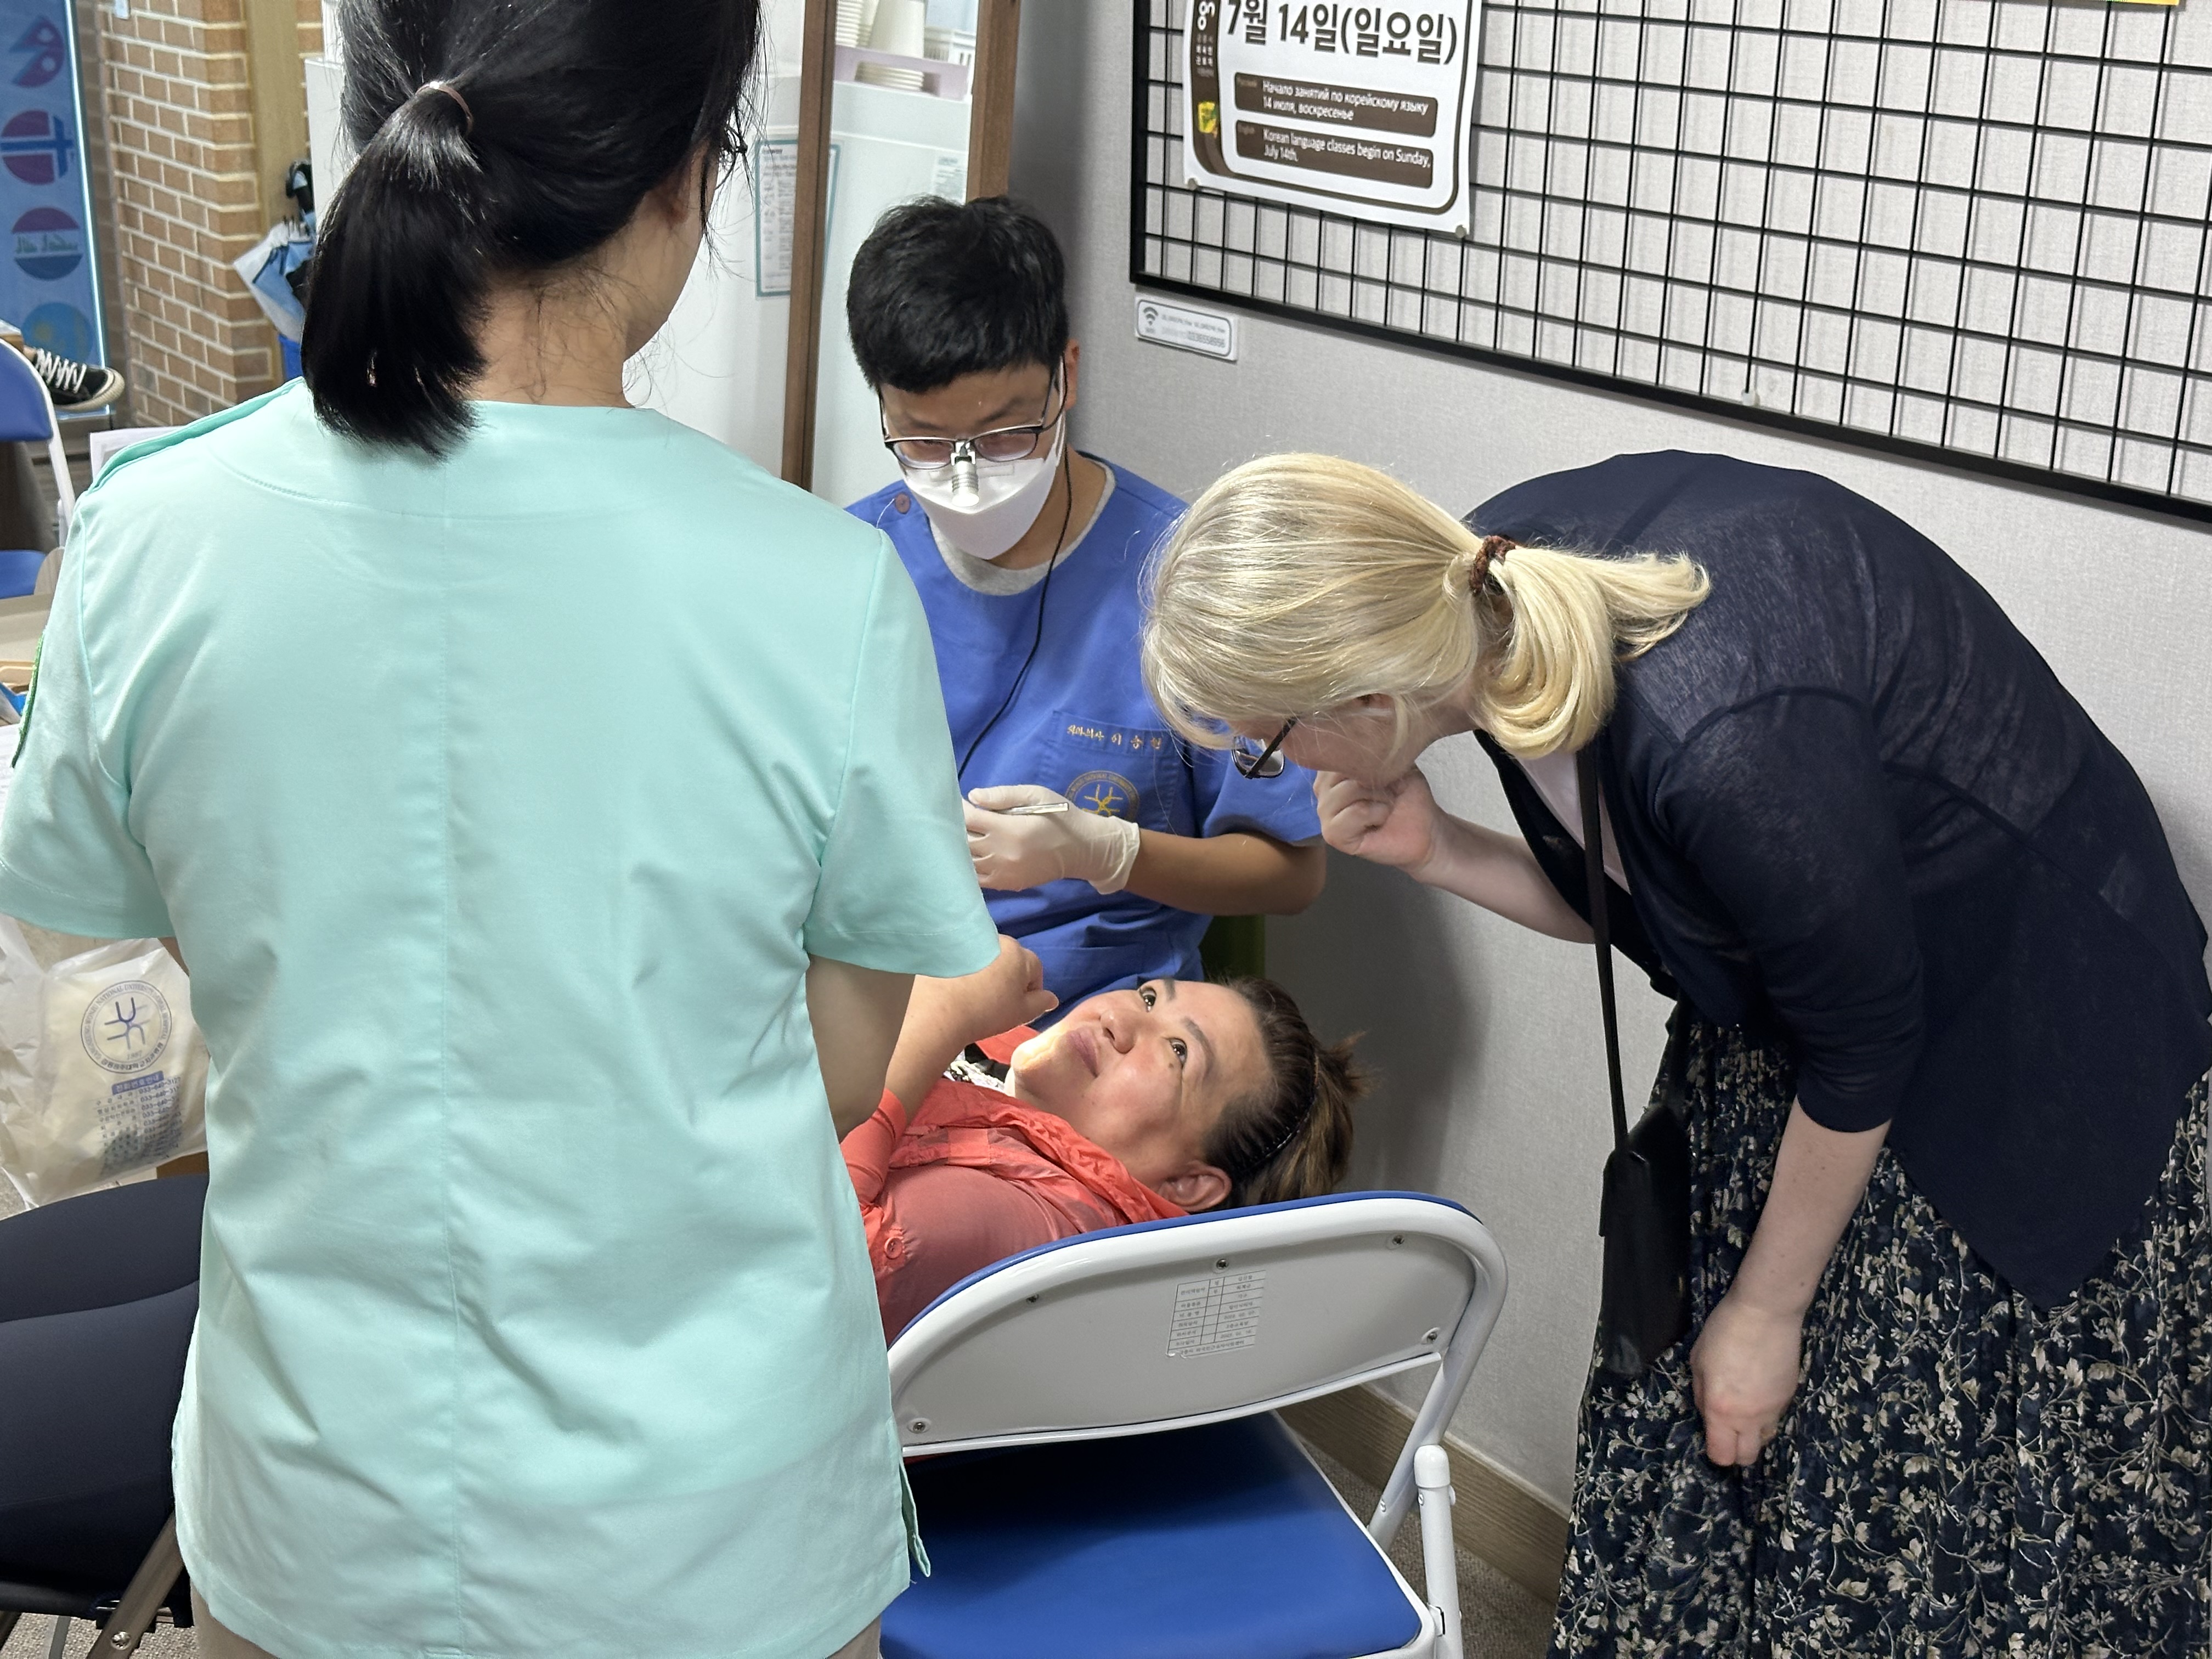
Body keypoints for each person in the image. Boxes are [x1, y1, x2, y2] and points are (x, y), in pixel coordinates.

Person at [0, 3, 1000, 1657]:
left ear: (376, 127)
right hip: (717, 1528)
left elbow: (160, 924)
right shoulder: (823, 589)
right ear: (683, 183)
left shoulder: (152, 536)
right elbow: (838, 1070)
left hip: (328, 1500)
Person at [1139, 449, 2211, 1656]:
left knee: (1885, 1486)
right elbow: (1668, 903)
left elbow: (1864, 1038)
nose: (1286, 774)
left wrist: (1767, 1308)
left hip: (2023, 1054)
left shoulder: (1717, 729)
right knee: (1703, 1422)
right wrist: (1441, 850)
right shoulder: (1481, 597)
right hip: (1830, 1023)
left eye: (1268, 746)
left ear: (1362, 692)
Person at [843, 196, 1324, 1012]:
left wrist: (1106, 852)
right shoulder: (850, 564)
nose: (966, 477)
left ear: (1067, 375)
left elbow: (1292, 873)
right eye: (924, 441)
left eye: (1005, 434)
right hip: (884, 1004)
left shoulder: (1195, 584)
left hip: (1091, 1020)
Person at [843, 936, 1361, 1335]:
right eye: (1150, 998)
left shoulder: (1038, 1231)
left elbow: (825, 1256)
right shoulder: (1017, 1057)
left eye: (1179, 1051)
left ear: (1186, 1183)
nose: (1117, 1015)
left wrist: (939, 1018)